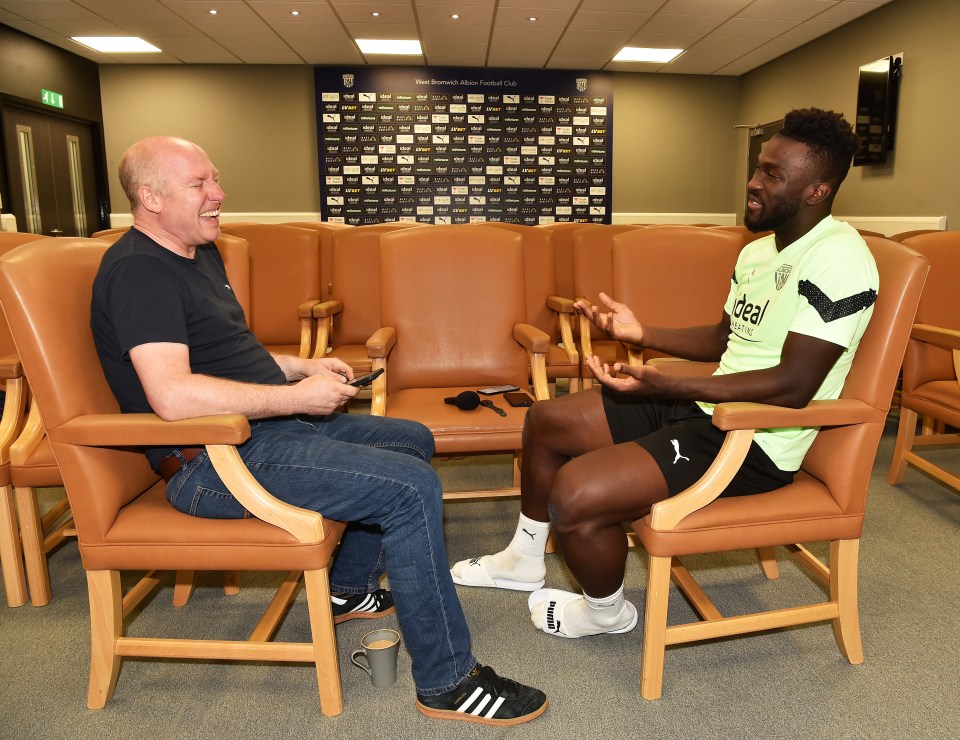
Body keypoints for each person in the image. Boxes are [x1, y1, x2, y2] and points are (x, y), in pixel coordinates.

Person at [90, 136, 547, 725]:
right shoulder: (139, 272)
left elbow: (228, 360)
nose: (219, 194)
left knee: (412, 440)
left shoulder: (197, 252)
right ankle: (447, 680)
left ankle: (345, 590)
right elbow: (173, 396)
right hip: (209, 462)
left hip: (260, 435)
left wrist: (300, 368)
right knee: (410, 488)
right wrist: (292, 398)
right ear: (150, 198)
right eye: (200, 184)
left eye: (215, 179)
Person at [451, 107, 878, 639]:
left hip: (758, 437)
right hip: (706, 405)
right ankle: (523, 559)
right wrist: (642, 335)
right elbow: (726, 339)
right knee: (547, 420)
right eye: (758, 167)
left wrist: (666, 380)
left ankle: (607, 614)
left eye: (773, 174)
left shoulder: (841, 258)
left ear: (817, 191)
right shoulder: (759, 253)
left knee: (577, 496)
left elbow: (793, 387)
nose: (753, 182)